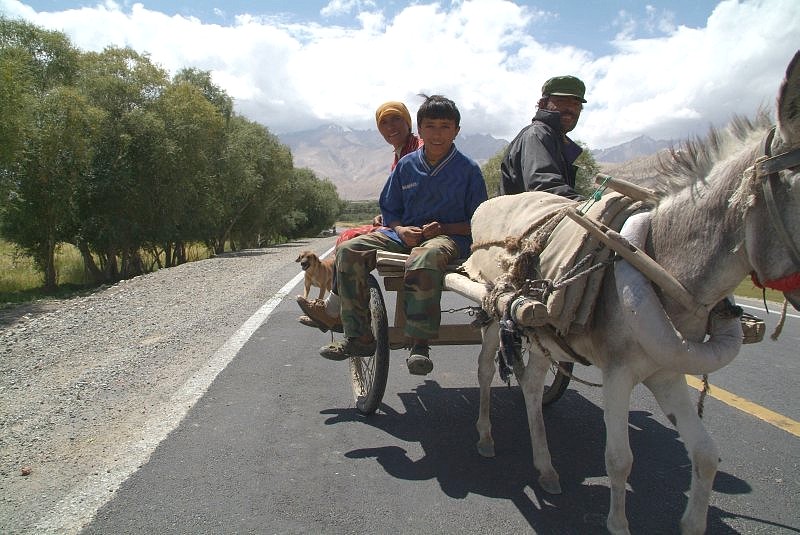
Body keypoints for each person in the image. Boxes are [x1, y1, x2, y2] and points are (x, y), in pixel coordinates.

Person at [319, 94, 488, 375]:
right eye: (430, 126)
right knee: (350, 250)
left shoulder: (468, 170)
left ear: (456, 130)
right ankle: (358, 337)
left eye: (445, 127)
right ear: (419, 130)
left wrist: (444, 228)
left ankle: (419, 343)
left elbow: (479, 221)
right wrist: (399, 229)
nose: (437, 134)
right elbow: (390, 210)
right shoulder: (407, 165)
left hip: (449, 239)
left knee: (426, 256)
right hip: (404, 236)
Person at [297, 101, 423, 333]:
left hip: (412, 228)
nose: (390, 126)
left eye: (396, 119)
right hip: (400, 223)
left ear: (408, 122)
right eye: (384, 122)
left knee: (348, 238)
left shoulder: (417, 150)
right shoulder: (402, 151)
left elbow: (419, 197)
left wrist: (391, 218)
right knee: (346, 237)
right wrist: (385, 215)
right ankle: (340, 310)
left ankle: (337, 313)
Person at [500, 75, 587, 200]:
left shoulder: (556, 140)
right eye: (561, 101)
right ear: (542, 104)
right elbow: (543, 185)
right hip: (526, 218)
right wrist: (584, 206)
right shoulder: (537, 134)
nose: (570, 108)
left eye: (576, 104)